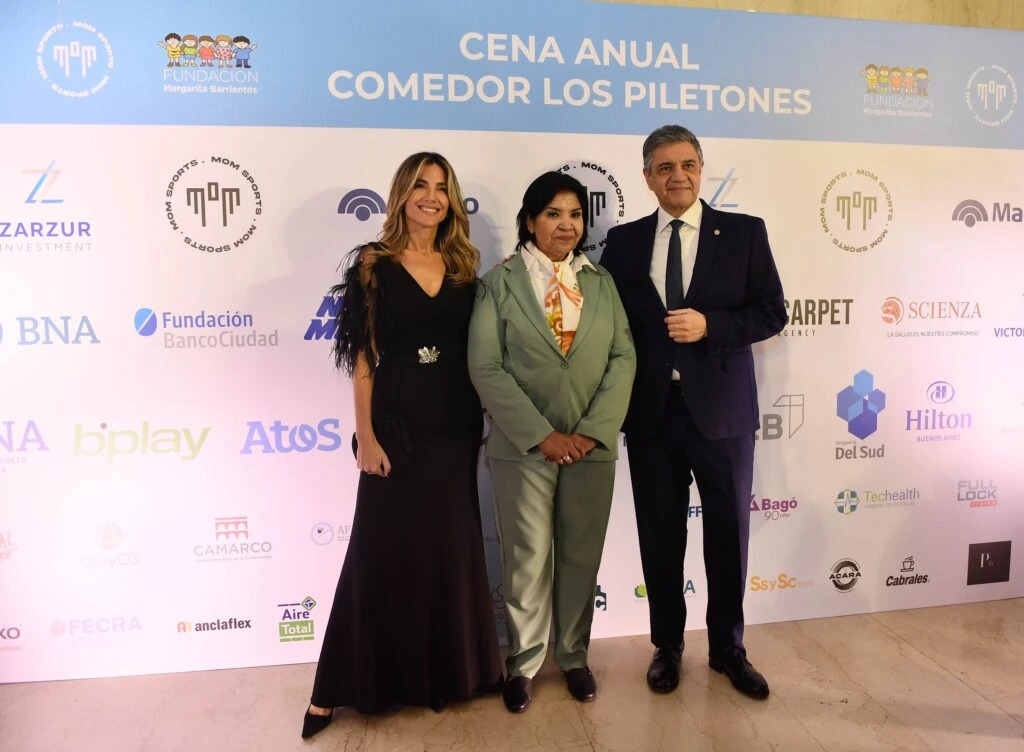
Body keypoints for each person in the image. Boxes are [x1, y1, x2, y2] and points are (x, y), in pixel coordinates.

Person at [302, 152, 503, 738]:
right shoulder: (373, 263)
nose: (432, 196)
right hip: (396, 425)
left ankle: (446, 675)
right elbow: (363, 358)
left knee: (448, 548)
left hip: (454, 425)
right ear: (401, 194)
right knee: (377, 550)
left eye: (441, 187)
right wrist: (365, 435)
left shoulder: (464, 265)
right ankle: (335, 689)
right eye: (421, 185)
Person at [600, 126, 786, 700]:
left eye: (686, 164)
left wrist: (712, 326)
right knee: (660, 538)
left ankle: (729, 649)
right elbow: (602, 315)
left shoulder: (745, 233)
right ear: (647, 177)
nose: (676, 176)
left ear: (701, 169)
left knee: (727, 537)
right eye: (663, 167)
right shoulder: (624, 242)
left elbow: (771, 312)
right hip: (652, 415)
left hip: (723, 415)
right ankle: (667, 647)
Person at [468, 171, 636, 713]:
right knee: (527, 559)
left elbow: (623, 357)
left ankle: (573, 656)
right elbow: (486, 366)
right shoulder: (498, 283)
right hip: (524, 448)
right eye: (553, 214)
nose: (567, 225)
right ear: (529, 221)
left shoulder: (601, 283)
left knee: (581, 557)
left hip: (591, 448)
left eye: (575, 215)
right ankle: (523, 664)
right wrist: (543, 435)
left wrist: (589, 433)